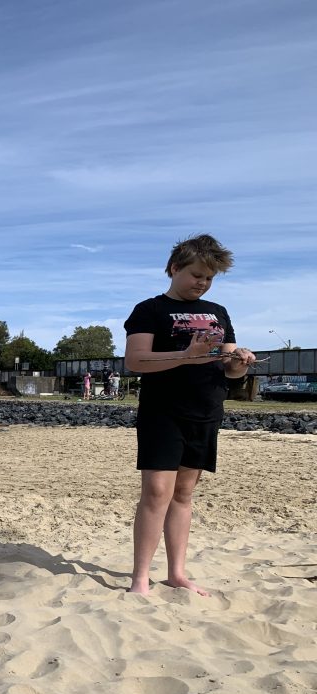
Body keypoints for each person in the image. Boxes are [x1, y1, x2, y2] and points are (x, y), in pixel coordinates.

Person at [123, 234, 255, 595]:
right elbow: (136, 360)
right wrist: (185, 356)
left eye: (209, 278)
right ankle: (140, 577)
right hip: (163, 411)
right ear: (174, 268)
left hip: (206, 409)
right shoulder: (149, 310)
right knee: (157, 492)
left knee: (183, 493)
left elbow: (230, 370)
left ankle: (177, 573)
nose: (203, 283)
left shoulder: (218, 312)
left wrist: (240, 362)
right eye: (197, 275)